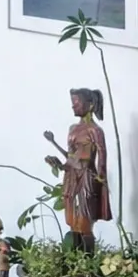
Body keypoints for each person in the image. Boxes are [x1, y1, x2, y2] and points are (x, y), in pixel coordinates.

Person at [44, 88, 112, 253]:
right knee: (73, 221)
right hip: (71, 176)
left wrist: (100, 178)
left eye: (77, 103)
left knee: (84, 221)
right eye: (72, 103)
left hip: (86, 178)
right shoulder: (72, 128)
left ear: (89, 105)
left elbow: (102, 155)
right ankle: (74, 260)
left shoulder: (95, 131)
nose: (73, 107)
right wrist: (57, 154)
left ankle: (88, 262)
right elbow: (71, 156)